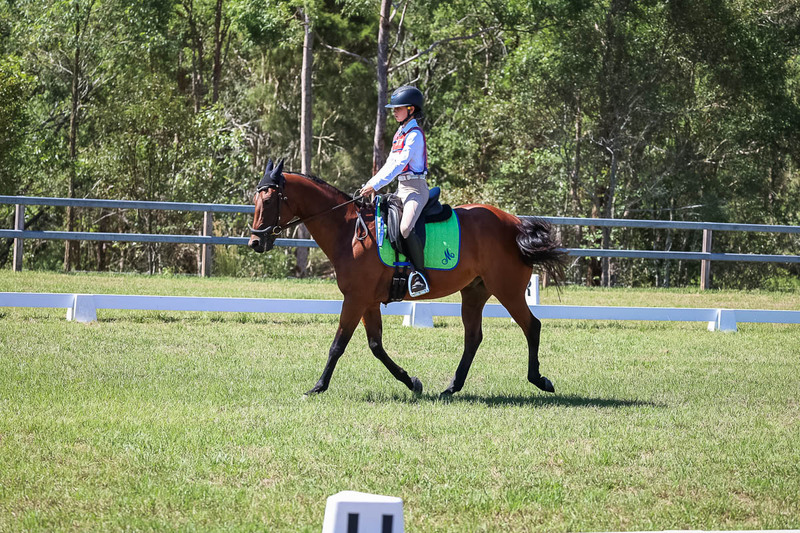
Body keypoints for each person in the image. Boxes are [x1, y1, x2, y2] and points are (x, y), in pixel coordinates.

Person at [360, 85, 431, 297]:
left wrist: (377, 184)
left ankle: (420, 276)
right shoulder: (400, 133)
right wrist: (369, 184)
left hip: (416, 190)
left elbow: (400, 163)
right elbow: (390, 162)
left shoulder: (414, 135)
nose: (394, 111)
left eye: (398, 108)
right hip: (401, 189)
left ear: (411, 109)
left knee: (406, 227)